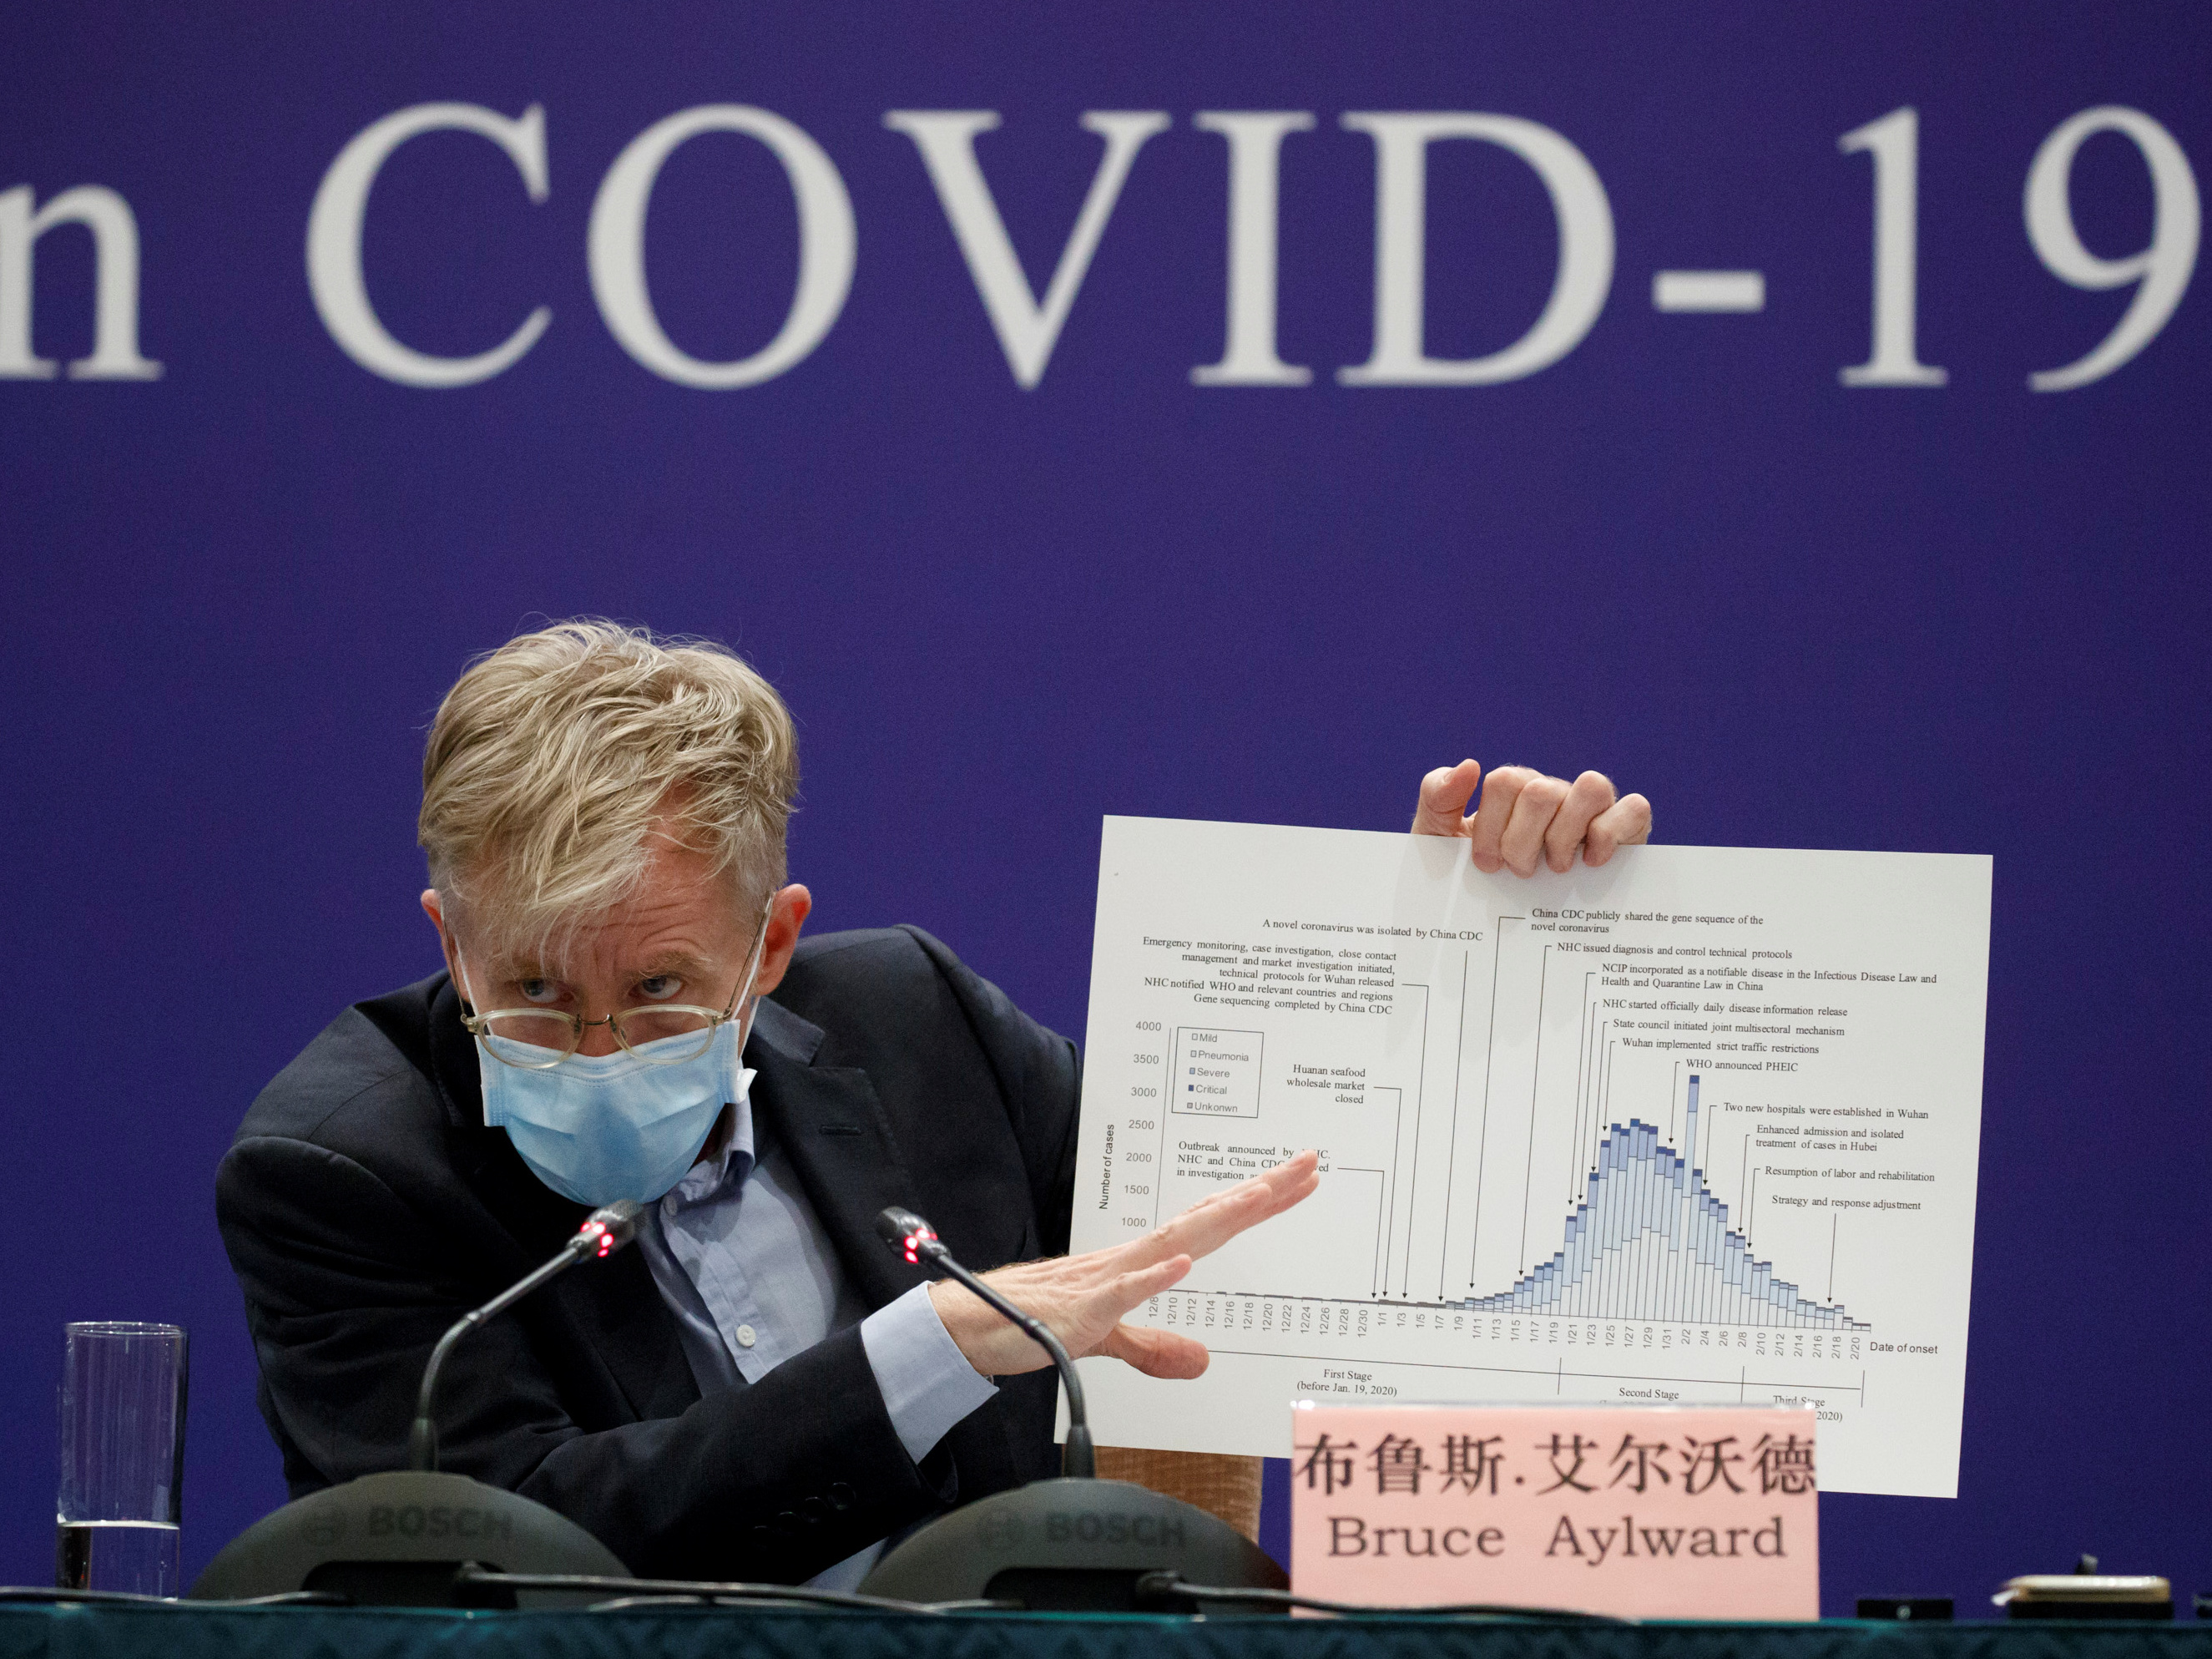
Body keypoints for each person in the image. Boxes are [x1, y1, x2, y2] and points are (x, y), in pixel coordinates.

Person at [216, 621, 1651, 1586]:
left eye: (657, 989)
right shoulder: (340, 1170)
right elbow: (521, 1553)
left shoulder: (918, 1022)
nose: (596, 1047)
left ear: (771, 945)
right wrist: (925, 1352)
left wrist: (1457, 950)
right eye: (531, 987)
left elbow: (1239, 1235)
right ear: (448, 938)